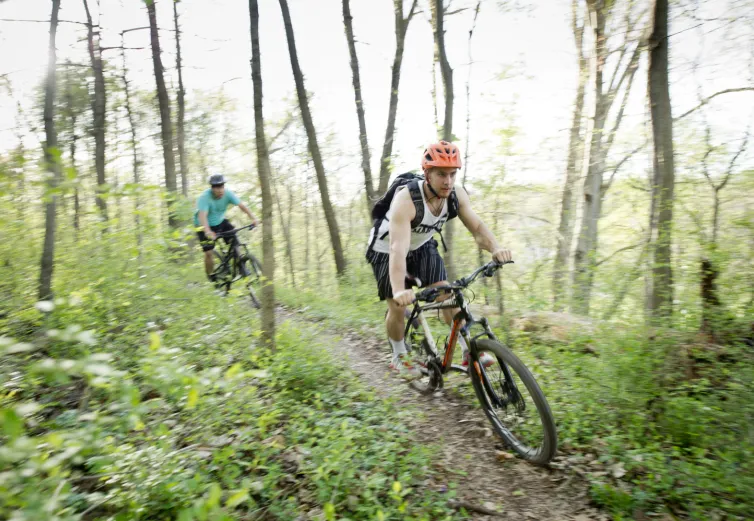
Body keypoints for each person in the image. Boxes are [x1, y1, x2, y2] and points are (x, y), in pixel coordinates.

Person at [365, 141, 513, 379]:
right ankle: (399, 355)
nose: (448, 181)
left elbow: (476, 226)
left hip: (422, 245)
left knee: (447, 294)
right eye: (441, 174)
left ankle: (468, 351)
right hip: (386, 250)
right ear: (427, 174)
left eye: (453, 174)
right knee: (397, 304)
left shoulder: (455, 194)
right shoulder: (407, 200)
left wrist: (496, 248)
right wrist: (398, 289)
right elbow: (397, 248)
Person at [194, 174, 258, 282]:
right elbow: (202, 216)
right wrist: (208, 231)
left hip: (220, 221)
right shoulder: (204, 197)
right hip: (202, 224)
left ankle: (241, 266)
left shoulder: (228, 194)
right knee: (208, 253)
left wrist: (253, 218)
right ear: (212, 188)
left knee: (235, 239)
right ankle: (211, 277)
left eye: (222, 187)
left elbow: (242, 206)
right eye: (217, 187)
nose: (220, 190)